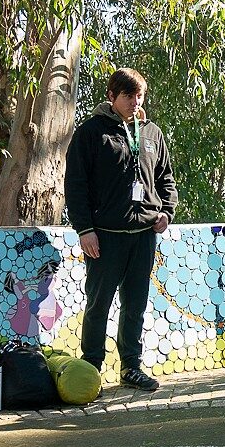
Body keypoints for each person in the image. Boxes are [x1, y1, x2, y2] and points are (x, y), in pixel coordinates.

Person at [64, 67, 178, 393]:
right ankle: (91, 372)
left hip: (143, 236)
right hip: (104, 236)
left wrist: (166, 212)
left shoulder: (152, 132)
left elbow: (166, 178)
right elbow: (76, 185)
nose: (135, 101)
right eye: (128, 95)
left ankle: (131, 367)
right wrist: (85, 229)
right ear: (112, 96)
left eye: (139, 95)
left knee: (135, 306)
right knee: (98, 305)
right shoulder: (91, 132)